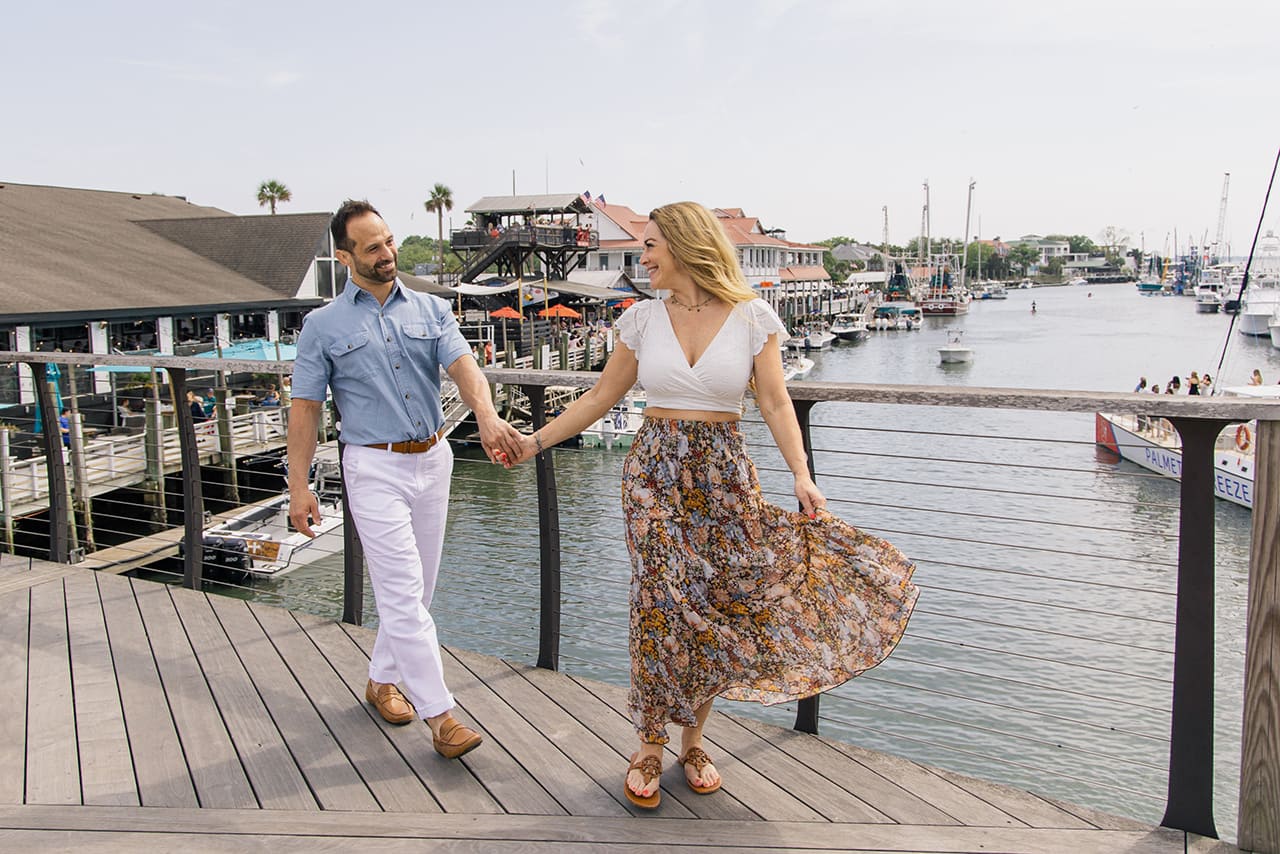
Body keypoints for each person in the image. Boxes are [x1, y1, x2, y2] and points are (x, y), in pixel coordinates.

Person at [505, 202, 919, 808]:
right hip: (655, 471)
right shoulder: (642, 320)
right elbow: (600, 397)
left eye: (650, 246)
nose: (641, 258)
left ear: (682, 245)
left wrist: (802, 477)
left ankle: (694, 739)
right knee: (658, 602)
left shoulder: (753, 316)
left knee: (713, 604)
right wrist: (534, 441)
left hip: (724, 473)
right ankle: (649, 741)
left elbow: (776, 404)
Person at [288, 200, 524, 760]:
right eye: (373, 248)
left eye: (390, 241)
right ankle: (441, 716)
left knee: (419, 592)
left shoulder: (429, 309)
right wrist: (299, 486)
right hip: (373, 466)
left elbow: (464, 367)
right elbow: (304, 410)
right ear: (344, 257)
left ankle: (381, 680)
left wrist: (487, 415)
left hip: (434, 458)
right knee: (400, 594)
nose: (388, 254)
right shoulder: (321, 327)